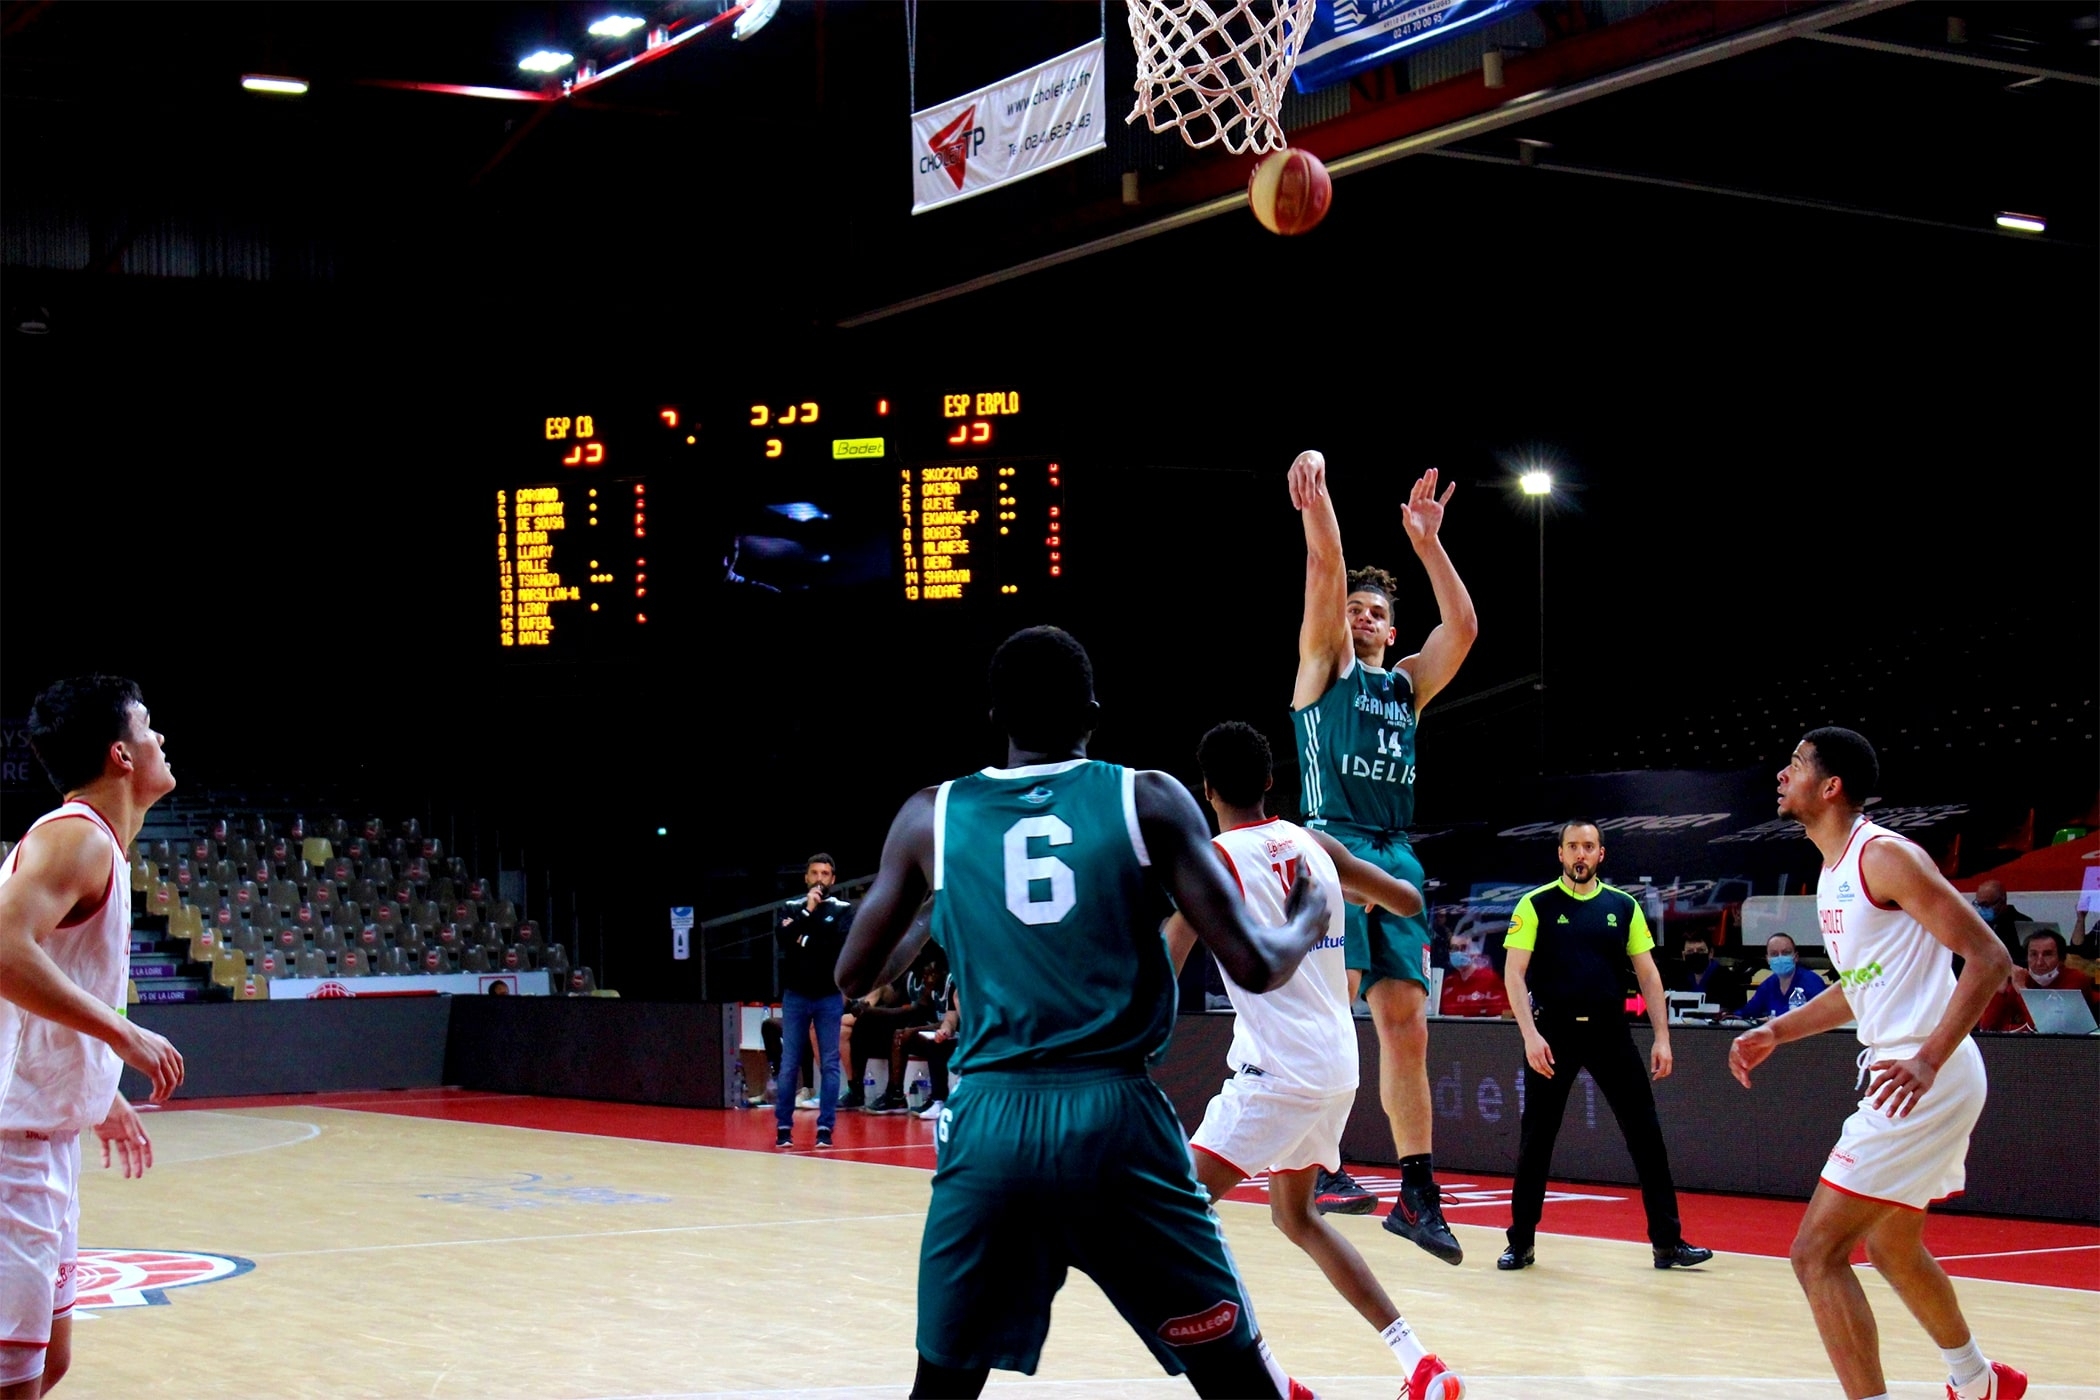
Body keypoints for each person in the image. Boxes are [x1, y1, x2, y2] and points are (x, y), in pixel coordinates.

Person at [836, 627, 1332, 1400]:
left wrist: (946, 901)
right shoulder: (1148, 798)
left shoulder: (932, 815)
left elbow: (853, 974)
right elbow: (1259, 963)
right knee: (1236, 1378)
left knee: (942, 1385)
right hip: (1116, 1122)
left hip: (991, 1123)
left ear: (995, 713)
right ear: (1093, 711)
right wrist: (1309, 912)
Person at [1165, 721, 1465, 1400]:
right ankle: (1421, 1364)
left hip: (1277, 1072)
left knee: (1175, 1216)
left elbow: (1165, 964)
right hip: (1337, 1067)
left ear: (1206, 790)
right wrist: (1352, 895)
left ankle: (1271, 1380)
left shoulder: (1209, 860)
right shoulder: (1316, 844)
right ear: (1272, 780)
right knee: (1295, 1217)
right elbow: (1408, 900)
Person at [1730, 728, 2024, 1400]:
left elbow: (1989, 958)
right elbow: (1859, 986)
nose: (1782, 772)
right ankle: (1978, 1380)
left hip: (1922, 1075)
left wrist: (1925, 1061)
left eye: (1797, 764)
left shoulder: (1883, 857)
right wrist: (1778, 1029)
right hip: (1911, 1070)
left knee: (1816, 1255)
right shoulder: (1834, 871)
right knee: (1892, 1248)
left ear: (1830, 786)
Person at [1286, 449, 1477, 1256]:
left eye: (1374, 612)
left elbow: (1463, 630)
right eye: (1355, 608)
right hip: (1331, 844)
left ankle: (1418, 1190)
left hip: (1396, 854)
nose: (1361, 616)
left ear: (1390, 630)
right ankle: (1322, 1160)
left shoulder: (1405, 685)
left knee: (1405, 1024)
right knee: (1337, 1005)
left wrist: (1429, 545)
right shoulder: (1323, 669)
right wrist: (1317, 500)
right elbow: (1326, 565)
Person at [0, 676, 187, 1399]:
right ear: (120, 754)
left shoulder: (96, 844)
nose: (160, 738)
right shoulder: (78, 837)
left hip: (42, 1144)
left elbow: (36, 985)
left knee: (48, 1366)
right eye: (148, 727)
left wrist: (95, 1086)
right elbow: (3, 953)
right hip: (13, 1154)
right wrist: (122, 1035)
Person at [1497, 820, 1712, 1273]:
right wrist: (1529, 1035)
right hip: (1551, 1034)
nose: (1580, 854)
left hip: (1610, 1032)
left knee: (1647, 1138)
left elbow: (1649, 975)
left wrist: (1663, 1037)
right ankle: (1521, 1243)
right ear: (1560, 854)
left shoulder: (1623, 906)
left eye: (1588, 847)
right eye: (1572, 846)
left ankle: (1667, 1244)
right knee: (1536, 1140)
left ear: (1601, 854)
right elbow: (1514, 975)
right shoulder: (1535, 904)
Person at [773, 853, 851, 1149]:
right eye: (815, 873)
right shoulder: (791, 907)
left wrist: (802, 937)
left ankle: (825, 1129)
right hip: (796, 995)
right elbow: (784, 940)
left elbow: (834, 946)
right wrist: (807, 913)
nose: (820, 878)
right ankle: (783, 1127)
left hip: (828, 995)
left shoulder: (844, 910)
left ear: (833, 879)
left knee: (830, 1063)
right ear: (806, 877)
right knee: (789, 1063)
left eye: (826, 874)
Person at [1734, 933, 1829, 1022]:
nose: (1780, 957)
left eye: (1786, 953)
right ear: (1768, 959)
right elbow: (1747, 1012)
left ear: (1795, 957)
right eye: (1774, 954)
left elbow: (1825, 1015)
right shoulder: (1767, 985)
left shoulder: (1812, 982)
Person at [2011, 928, 2095, 1010]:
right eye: (2033, 954)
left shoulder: (2076, 978)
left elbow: (2048, 1020)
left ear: (2061, 959)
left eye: (2047, 954)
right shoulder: (2023, 977)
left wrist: (2021, 989)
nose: (2039, 962)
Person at [1437, 927, 1510, 1019]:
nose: (1459, 952)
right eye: (1454, 949)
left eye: (1463, 947)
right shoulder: (1448, 983)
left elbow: (1504, 1016)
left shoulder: (1490, 979)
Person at [1667, 933, 1747, 1011]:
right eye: (1690, 951)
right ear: (1684, 955)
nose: (1695, 954)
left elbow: (1736, 1011)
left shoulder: (1729, 980)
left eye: (1700, 950)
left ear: (1711, 953)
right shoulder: (1676, 979)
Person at [1971, 880, 2033, 963]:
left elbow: (2028, 959)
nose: (1982, 909)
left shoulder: (2024, 924)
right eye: (1978, 904)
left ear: (2002, 901)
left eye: (1986, 905)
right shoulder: (1977, 924)